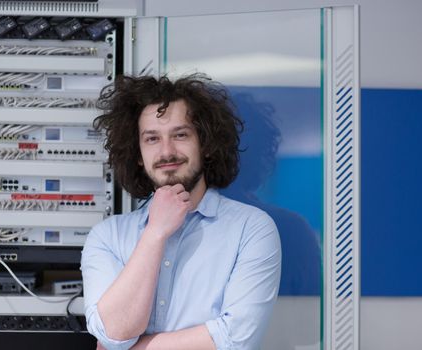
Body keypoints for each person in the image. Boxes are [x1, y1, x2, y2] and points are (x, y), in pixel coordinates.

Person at [81, 74, 281, 350]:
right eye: (152, 139)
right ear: (138, 154)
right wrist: (155, 233)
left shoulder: (252, 229)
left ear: (206, 145)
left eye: (180, 135)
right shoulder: (107, 236)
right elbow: (113, 333)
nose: (167, 151)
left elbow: (236, 339)